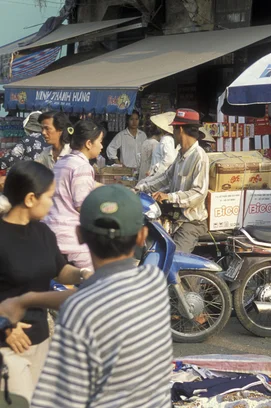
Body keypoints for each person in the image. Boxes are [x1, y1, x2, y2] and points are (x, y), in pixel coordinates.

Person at [29, 184, 173, 406]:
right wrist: (27, 300)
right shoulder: (153, 282)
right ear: (142, 236)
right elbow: (100, 301)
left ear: (79, 235)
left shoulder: (80, 312)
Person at [0, 161, 93, 403]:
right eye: (50, 197)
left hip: (41, 340)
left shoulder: (43, 233)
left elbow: (60, 270)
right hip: (6, 348)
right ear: (31, 198)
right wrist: (3, 326)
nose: (52, 204)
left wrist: (84, 275)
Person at [136, 108, 210, 253]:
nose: (172, 133)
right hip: (175, 218)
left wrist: (169, 197)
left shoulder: (199, 156)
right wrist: (141, 188)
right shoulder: (180, 154)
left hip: (191, 222)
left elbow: (198, 193)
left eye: (174, 129)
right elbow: (165, 177)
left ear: (180, 129)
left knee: (175, 260)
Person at [44, 120, 104, 269]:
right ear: (89, 143)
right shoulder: (82, 166)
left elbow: (77, 185)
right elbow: (81, 205)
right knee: (99, 274)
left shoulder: (63, 162)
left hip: (49, 230)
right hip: (70, 237)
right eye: (100, 141)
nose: (102, 146)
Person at [148, 111, 178, 177]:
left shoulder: (166, 139)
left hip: (159, 176)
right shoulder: (172, 139)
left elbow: (169, 160)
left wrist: (155, 169)